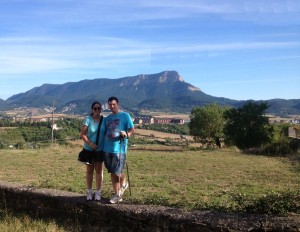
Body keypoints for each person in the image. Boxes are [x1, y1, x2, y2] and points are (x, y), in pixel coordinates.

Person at [101, 96, 134, 204]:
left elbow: (131, 129)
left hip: (119, 148)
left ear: (118, 104)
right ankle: (120, 188)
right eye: (110, 104)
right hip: (107, 148)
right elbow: (105, 131)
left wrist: (127, 134)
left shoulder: (125, 115)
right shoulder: (107, 118)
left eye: (113, 104)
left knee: (116, 173)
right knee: (113, 172)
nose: (112, 106)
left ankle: (118, 193)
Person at [80, 101, 104, 201]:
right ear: (92, 109)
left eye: (99, 108)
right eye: (95, 108)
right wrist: (90, 144)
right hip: (89, 149)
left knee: (99, 171)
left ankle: (98, 192)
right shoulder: (88, 119)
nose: (97, 110)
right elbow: (83, 134)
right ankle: (89, 191)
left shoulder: (104, 120)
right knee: (89, 171)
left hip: (100, 149)